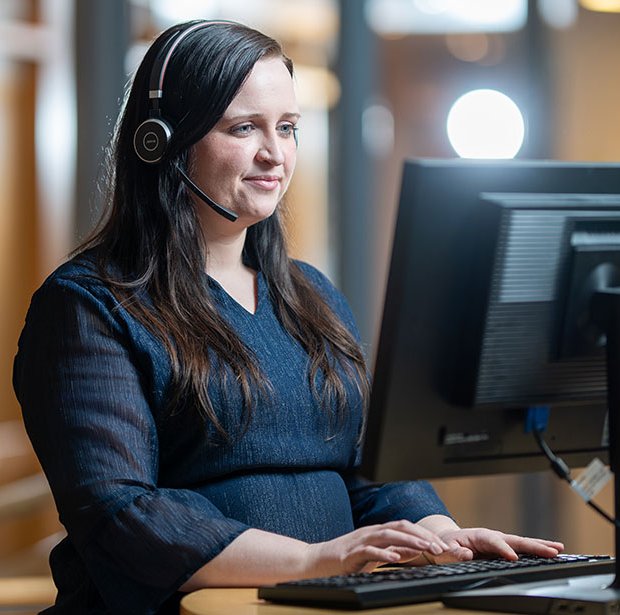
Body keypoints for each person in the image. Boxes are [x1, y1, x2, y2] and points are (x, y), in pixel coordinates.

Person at [13, 19, 564, 615]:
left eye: (289, 127)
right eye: (244, 127)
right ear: (161, 142)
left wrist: (437, 533)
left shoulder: (312, 296)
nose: (275, 153)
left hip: (321, 605)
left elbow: (369, 474)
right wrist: (312, 559)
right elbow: (121, 514)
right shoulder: (88, 305)